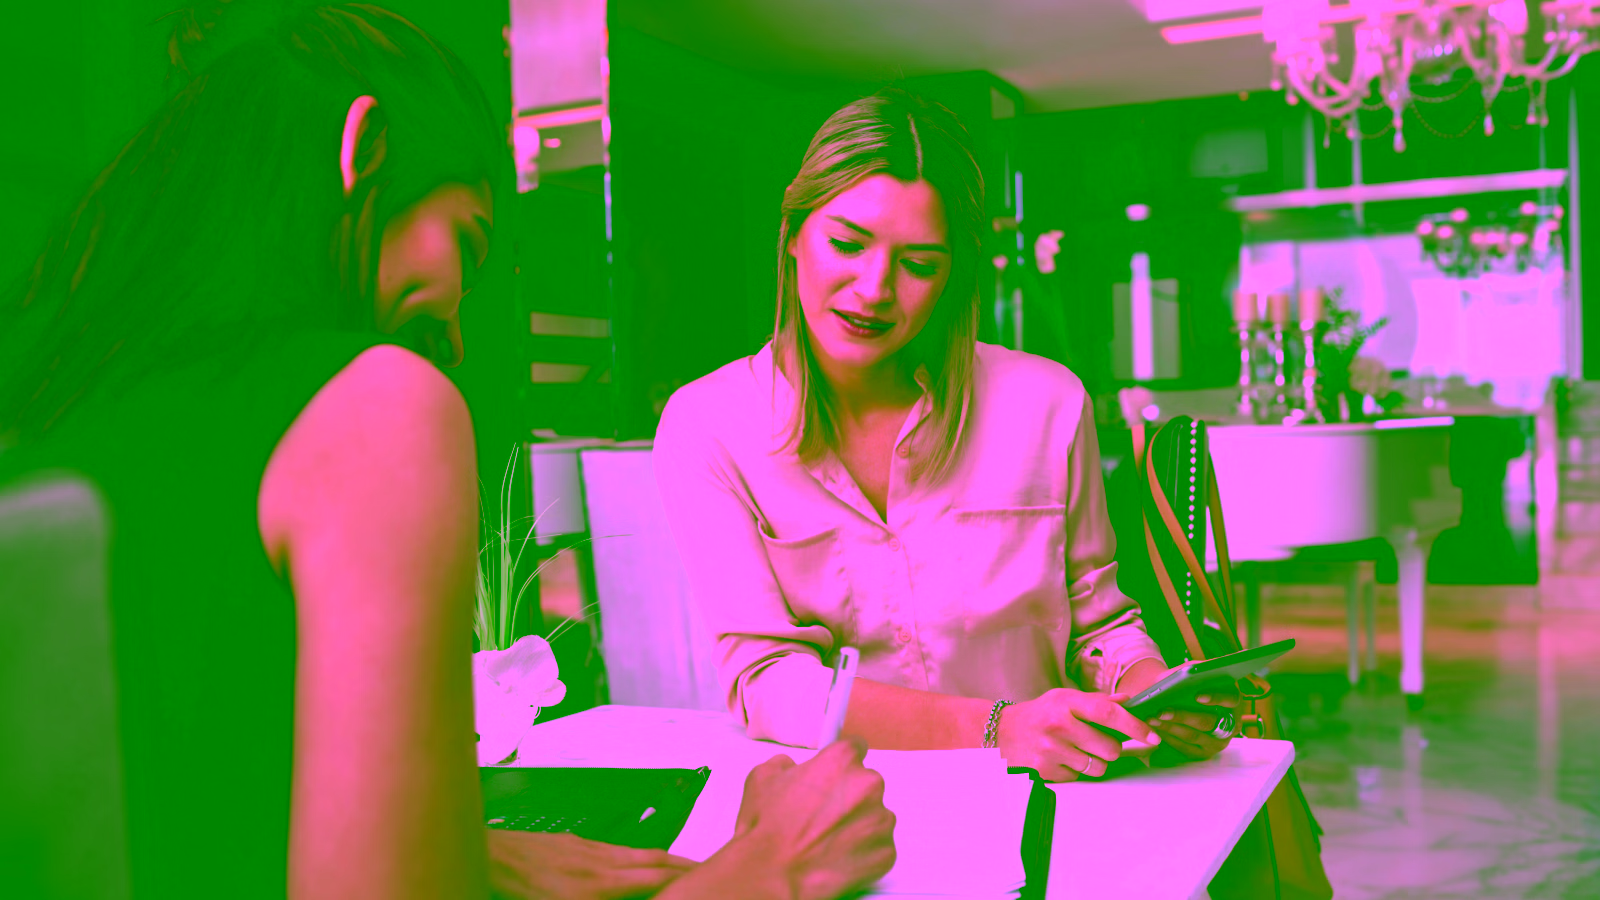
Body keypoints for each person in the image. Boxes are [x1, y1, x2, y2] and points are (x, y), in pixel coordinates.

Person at [0, 4, 893, 898]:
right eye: (467, 240)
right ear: (366, 147)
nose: (457, 336)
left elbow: (182, 790)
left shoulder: (63, 408)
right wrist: (774, 867)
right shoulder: (376, 404)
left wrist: (462, 852)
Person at [653, 89, 1240, 784]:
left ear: (952, 275)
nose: (874, 287)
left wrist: (1147, 687)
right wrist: (1000, 728)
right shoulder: (707, 426)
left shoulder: (1047, 403)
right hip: (846, 813)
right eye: (846, 242)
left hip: (1053, 801)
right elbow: (768, 686)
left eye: (919, 263)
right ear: (792, 235)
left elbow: (1097, 619)